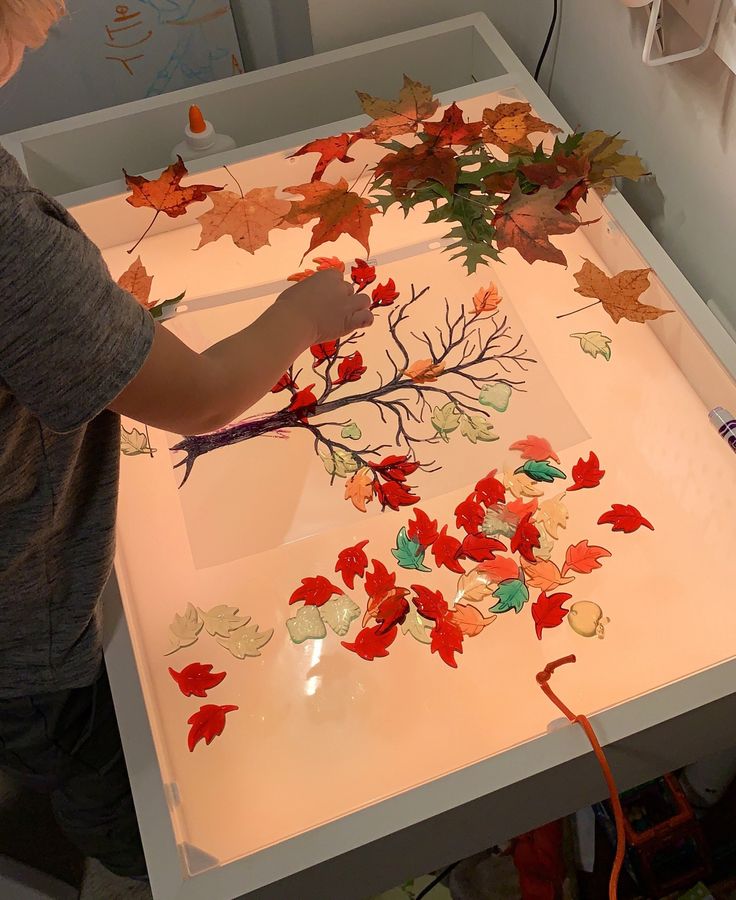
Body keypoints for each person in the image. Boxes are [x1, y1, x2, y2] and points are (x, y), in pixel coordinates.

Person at [0, 1, 374, 881]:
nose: (53, 20)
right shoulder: (10, 245)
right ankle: (153, 866)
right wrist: (301, 313)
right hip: (31, 628)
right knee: (112, 784)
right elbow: (204, 399)